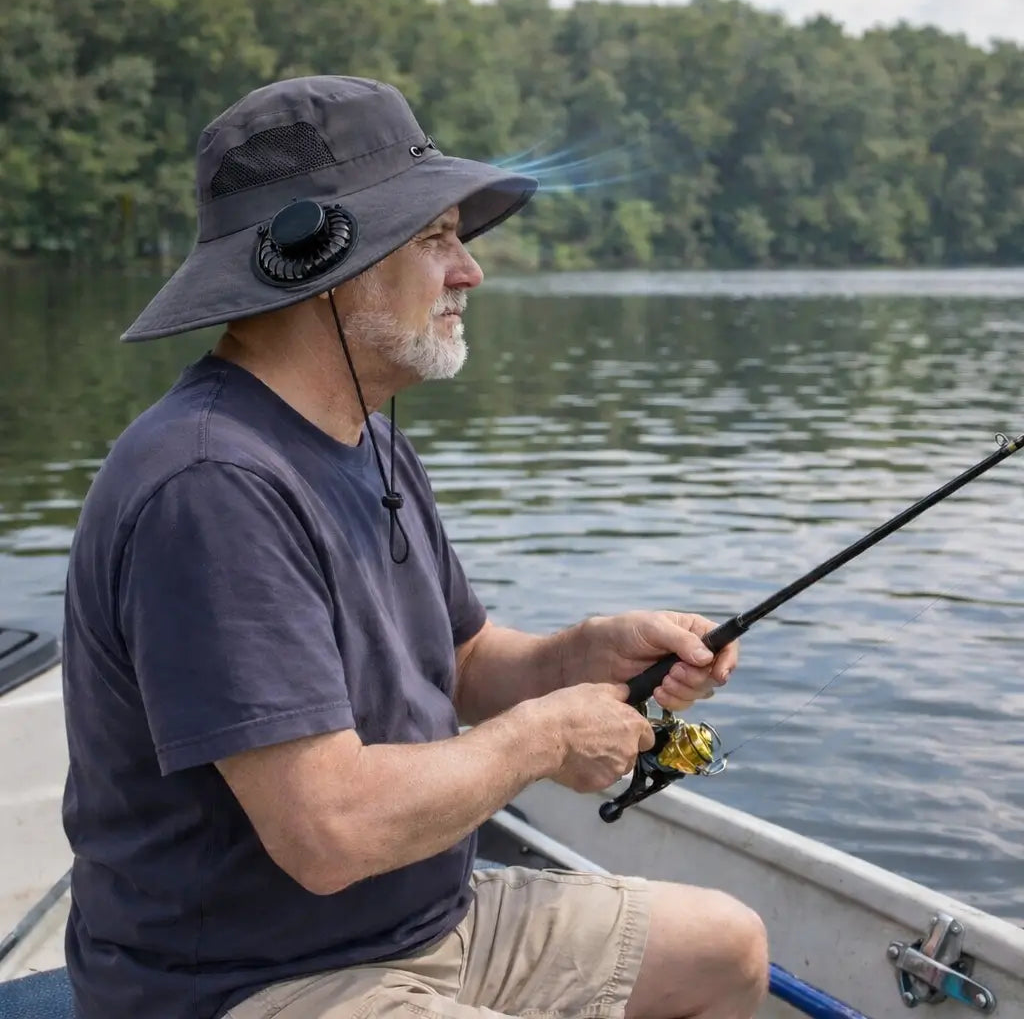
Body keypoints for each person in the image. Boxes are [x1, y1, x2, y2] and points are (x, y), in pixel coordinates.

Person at [61, 75, 767, 1019]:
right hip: (248, 982)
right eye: (435, 237)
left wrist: (584, 654)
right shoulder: (210, 484)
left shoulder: (368, 436)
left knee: (726, 948)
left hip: (429, 925)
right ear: (319, 257)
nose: (470, 272)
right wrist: (548, 736)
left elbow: (464, 662)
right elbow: (328, 830)